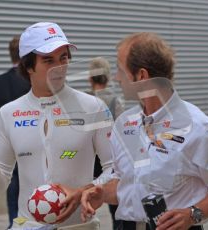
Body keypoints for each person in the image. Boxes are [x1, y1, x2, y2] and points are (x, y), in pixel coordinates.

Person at [81, 32, 208, 230]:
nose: (117, 78)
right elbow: (125, 181)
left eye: (120, 69)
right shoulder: (126, 123)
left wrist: (193, 214)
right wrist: (101, 193)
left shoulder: (198, 127)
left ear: (141, 75)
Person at [0, 22, 113, 230]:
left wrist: (88, 190)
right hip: (26, 225)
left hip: (80, 226)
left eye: (63, 58)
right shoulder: (9, 113)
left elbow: (116, 169)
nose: (59, 67)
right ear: (28, 66)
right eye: (48, 60)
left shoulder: (93, 107)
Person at [0, 36, 31, 229]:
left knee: (11, 187)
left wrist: (2, 126)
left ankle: (14, 223)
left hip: (4, 143)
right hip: (31, 142)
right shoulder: (32, 82)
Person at [88, 57, 123, 230]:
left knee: (87, 202)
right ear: (108, 77)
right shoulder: (116, 101)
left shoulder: (83, 102)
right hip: (111, 159)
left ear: (90, 78)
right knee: (115, 206)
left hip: (89, 161)